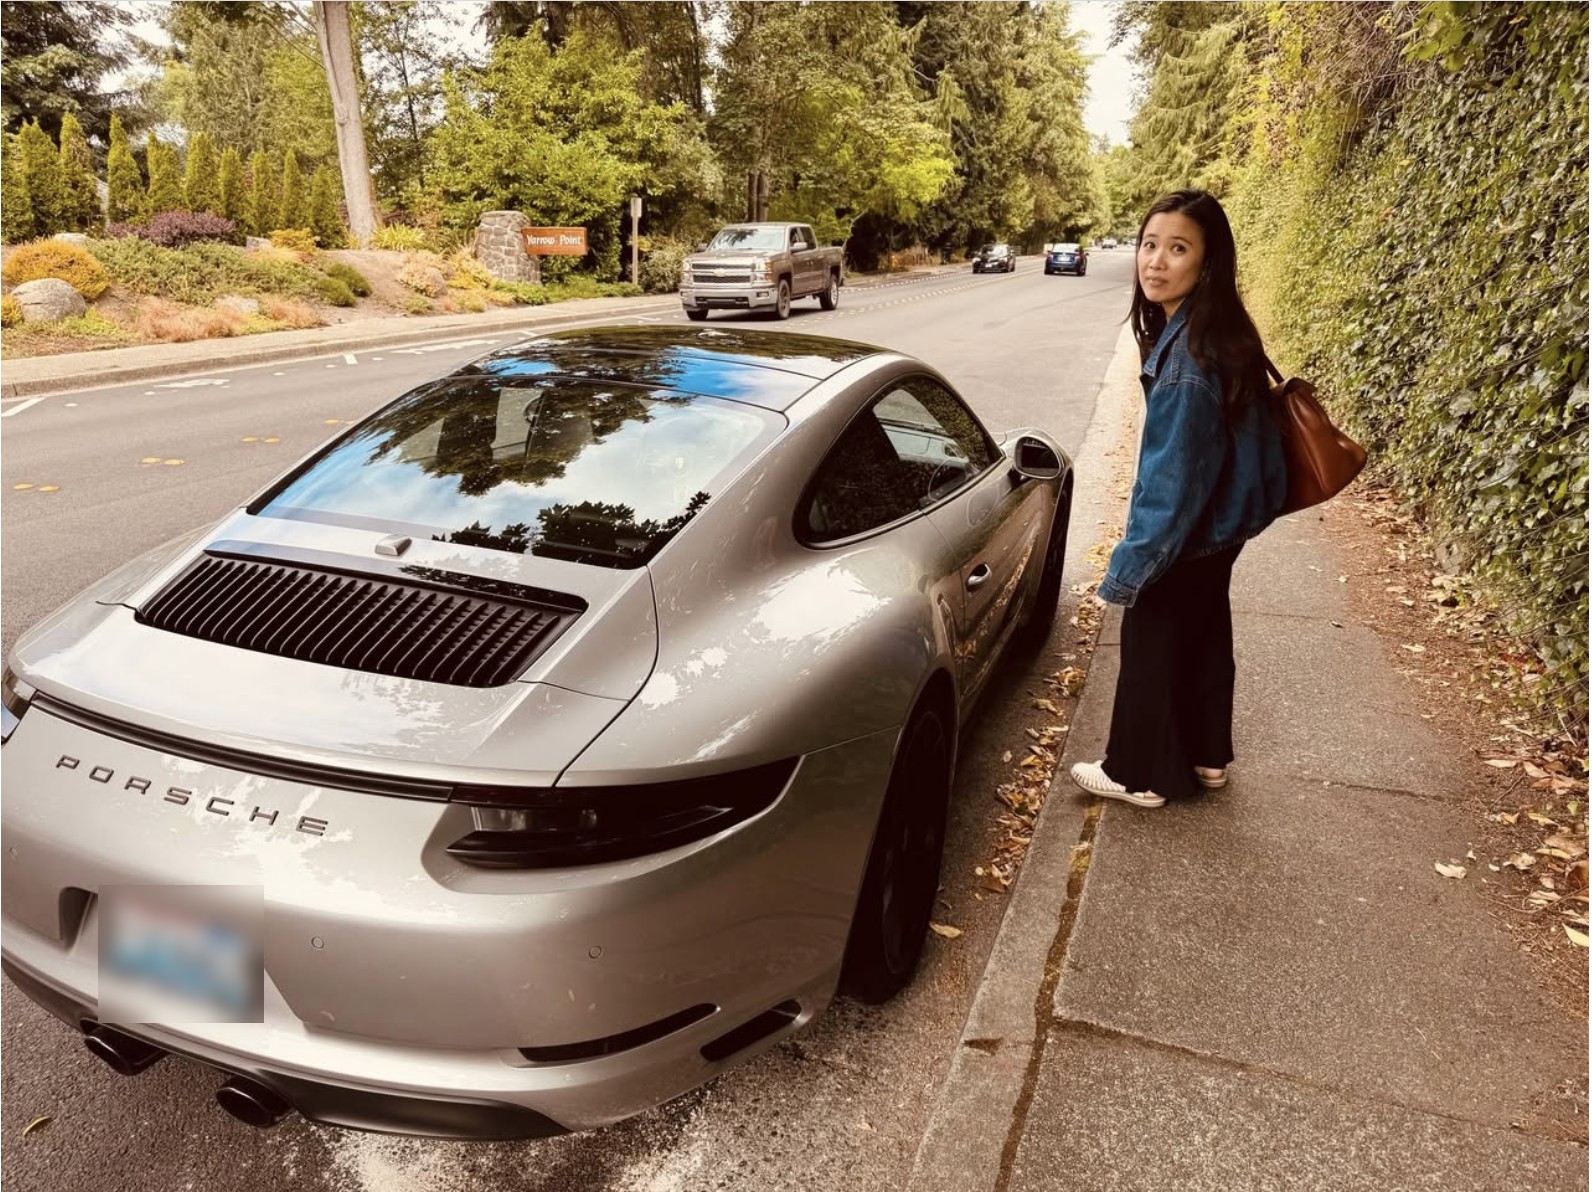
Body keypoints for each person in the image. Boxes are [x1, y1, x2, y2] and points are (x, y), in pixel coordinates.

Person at [1070, 189, 1288, 809]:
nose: (1155, 262)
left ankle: (1137, 771)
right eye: (1149, 244)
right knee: (1202, 632)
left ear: (1207, 262)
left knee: (1149, 639)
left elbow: (1172, 482)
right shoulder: (1212, 328)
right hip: (1224, 523)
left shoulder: (1188, 361)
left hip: (1192, 526)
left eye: (1178, 248)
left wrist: (1130, 566)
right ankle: (1206, 755)